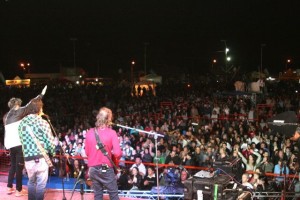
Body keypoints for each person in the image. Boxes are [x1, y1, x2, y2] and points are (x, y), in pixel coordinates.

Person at [3, 86, 47, 197]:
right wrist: (41, 94)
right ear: (17, 104)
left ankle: (9, 187)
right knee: (19, 167)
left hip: (9, 144)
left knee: (13, 166)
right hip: (18, 144)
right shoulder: (19, 111)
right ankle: (18, 190)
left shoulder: (8, 115)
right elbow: (31, 104)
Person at [18, 97, 55, 200]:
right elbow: (50, 142)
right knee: (40, 186)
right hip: (41, 158)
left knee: (31, 182)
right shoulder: (43, 123)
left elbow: (21, 140)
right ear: (39, 109)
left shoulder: (22, 124)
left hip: (28, 159)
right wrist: (52, 152)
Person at [85, 107, 122, 200]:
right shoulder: (112, 133)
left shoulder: (89, 132)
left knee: (98, 195)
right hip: (104, 167)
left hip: (92, 169)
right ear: (108, 119)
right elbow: (118, 153)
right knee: (113, 194)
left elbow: (86, 152)